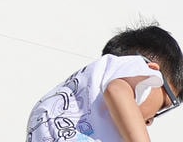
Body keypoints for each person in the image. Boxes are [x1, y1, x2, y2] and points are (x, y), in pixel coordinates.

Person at [27, 25, 183, 142]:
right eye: (163, 105)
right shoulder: (135, 67)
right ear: (152, 71)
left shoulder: (89, 91)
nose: (149, 121)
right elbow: (117, 90)